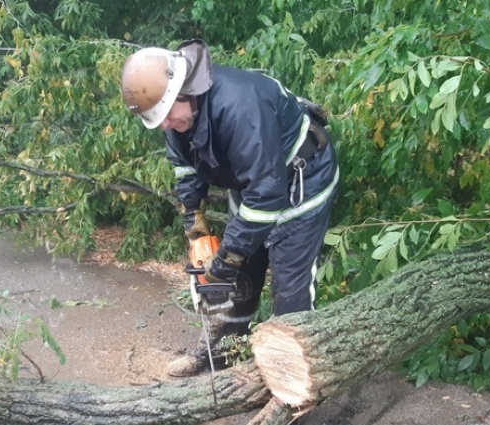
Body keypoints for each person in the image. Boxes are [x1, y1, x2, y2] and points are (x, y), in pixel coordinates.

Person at [120, 40, 339, 377]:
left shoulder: (239, 106)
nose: (163, 125)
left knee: (289, 289)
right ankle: (219, 355)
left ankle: (291, 383)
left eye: (165, 116)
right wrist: (194, 220)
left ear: (183, 92)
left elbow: (267, 197)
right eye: (158, 120)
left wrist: (224, 262)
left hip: (301, 181)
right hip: (252, 185)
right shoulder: (175, 117)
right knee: (239, 280)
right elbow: (185, 166)